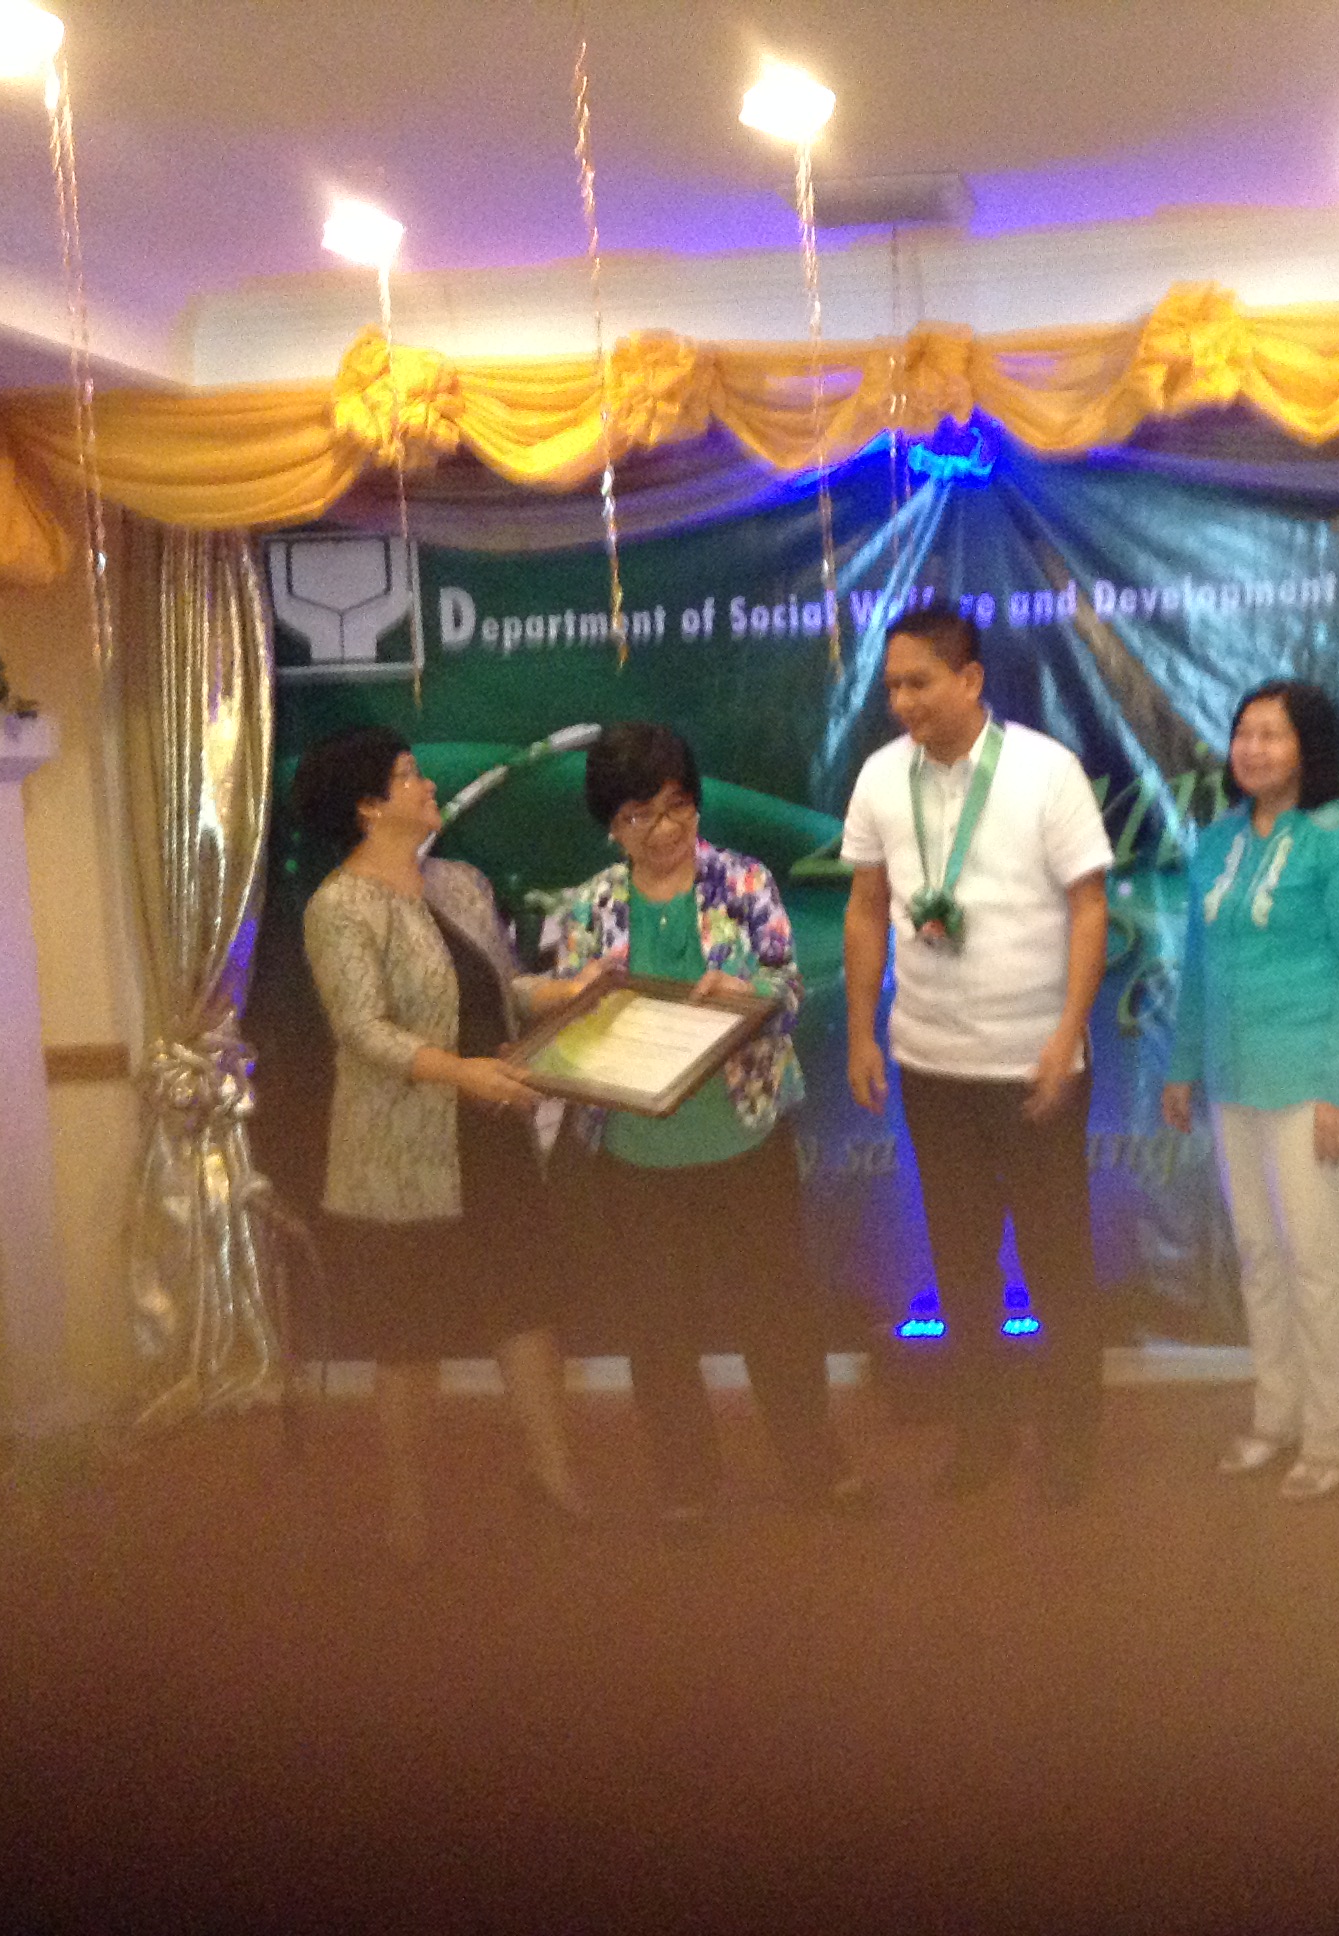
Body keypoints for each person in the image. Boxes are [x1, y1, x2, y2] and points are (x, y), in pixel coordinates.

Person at [532, 723, 863, 1536]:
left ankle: (814, 1466)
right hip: (636, 1153)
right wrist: (581, 996)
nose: (665, 829)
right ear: (612, 825)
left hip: (743, 1136)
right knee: (657, 1327)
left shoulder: (743, 881)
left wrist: (748, 994)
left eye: (679, 806)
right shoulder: (590, 907)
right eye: (640, 815)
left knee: (777, 1314)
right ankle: (687, 1483)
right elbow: (566, 1025)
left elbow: (790, 987)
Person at [293, 726, 587, 1562]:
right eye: (407, 776)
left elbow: (501, 987)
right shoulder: (339, 907)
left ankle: (556, 1479)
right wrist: (463, 1075)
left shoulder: (460, 881)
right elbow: (363, 1032)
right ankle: (408, 1511)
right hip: (402, 1153)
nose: (428, 787)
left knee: (524, 1310)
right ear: (367, 807)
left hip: (492, 1135)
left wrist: (573, 988)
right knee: (408, 1335)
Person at [841, 605, 1114, 1505]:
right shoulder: (882, 776)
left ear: (970, 680)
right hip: (931, 1064)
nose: (903, 702)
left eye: (919, 683)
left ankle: (1071, 1439)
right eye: (892, 687)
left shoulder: (1045, 771)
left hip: (1034, 1063)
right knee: (959, 1262)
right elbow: (865, 908)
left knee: (1055, 1260)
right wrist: (861, 1031)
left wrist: (1068, 1033)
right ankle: (983, 1432)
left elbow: (1089, 908)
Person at [1162, 680, 1339, 1503]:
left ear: (1310, 748)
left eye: (1273, 735)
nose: (1253, 750)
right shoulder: (1220, 839)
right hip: (1236, 1081)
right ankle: (1277, 1416)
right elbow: (1200, 965)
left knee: (1319, 1262)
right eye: (1244, 734)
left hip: (1315, 1085)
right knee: (1261, 1259)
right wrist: (1183, 1067)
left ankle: (1333, 1437)